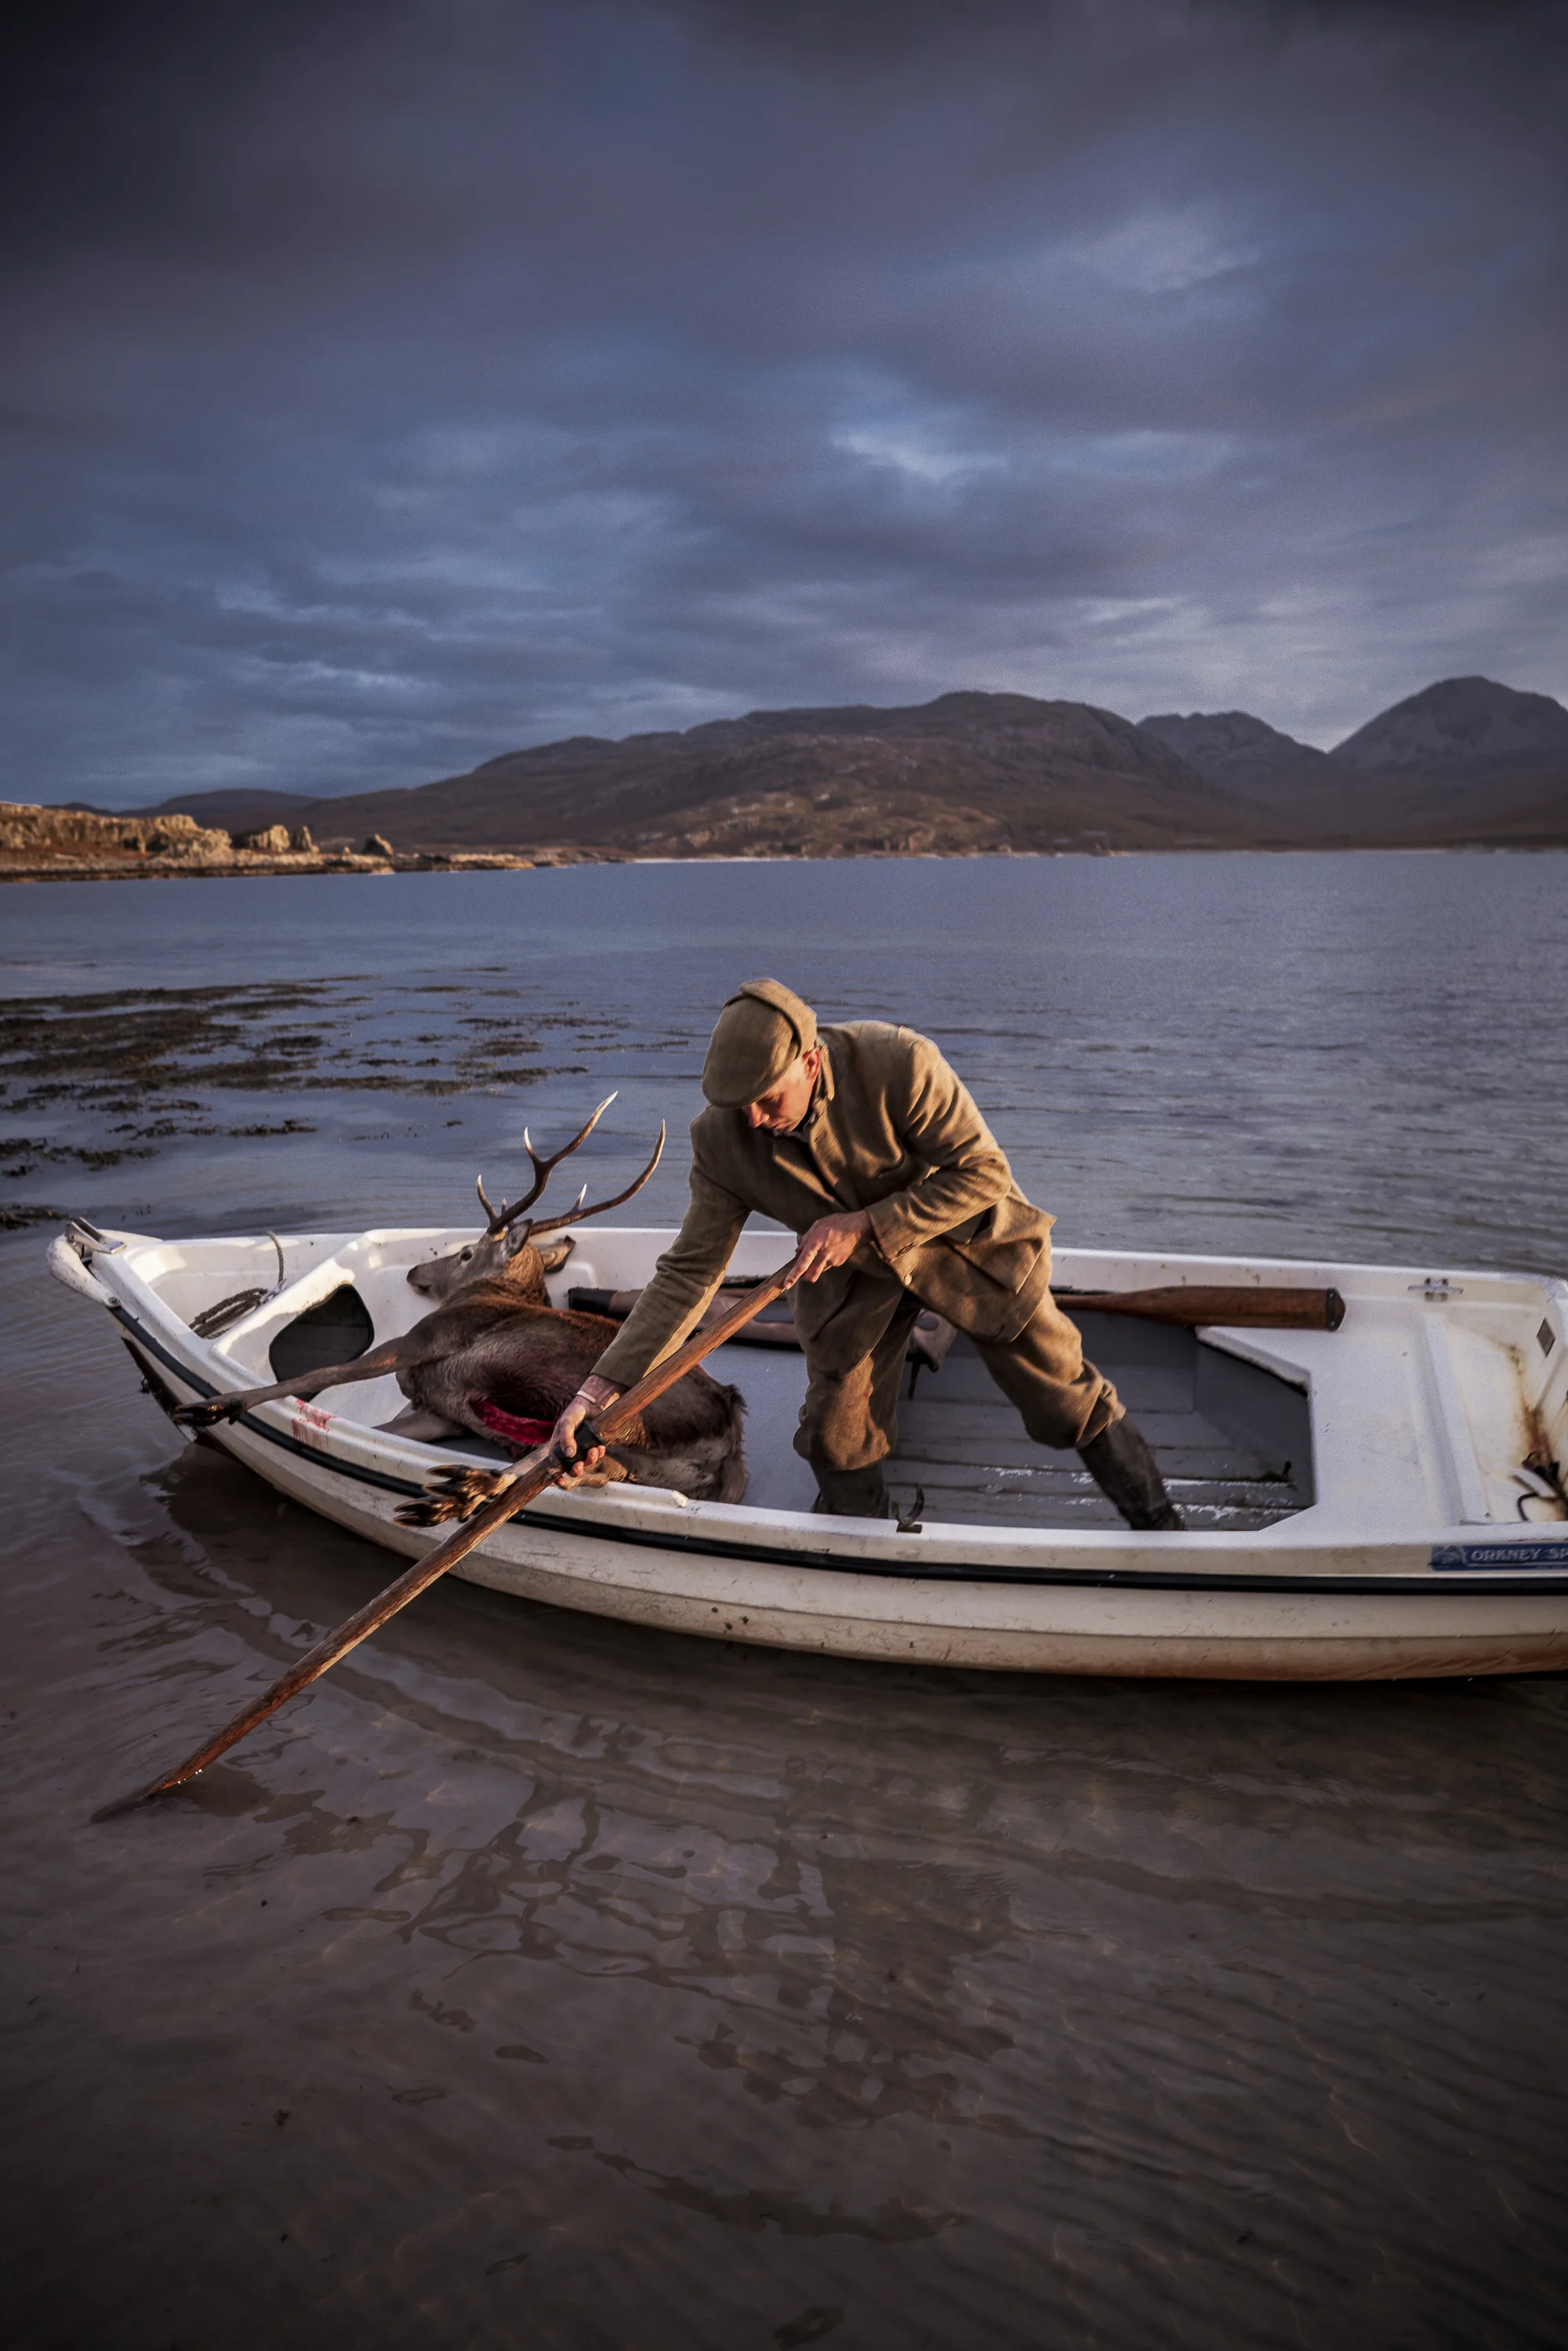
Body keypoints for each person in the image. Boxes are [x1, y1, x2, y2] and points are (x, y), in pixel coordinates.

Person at [550, 978, 1183, 1529]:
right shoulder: (720, 1142)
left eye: (768, 1097)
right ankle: (865, 1549)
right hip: (849, 1281)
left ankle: (1161, 1525)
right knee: (835, 1438)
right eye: (736, 1105)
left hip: (967, 1246)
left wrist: (865, 1223)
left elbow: (985, 1173)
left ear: (811, 1060)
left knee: (1062, 1392)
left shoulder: (900, 1062)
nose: (755, 1119)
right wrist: (597, 1393)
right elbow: (688, 1274)